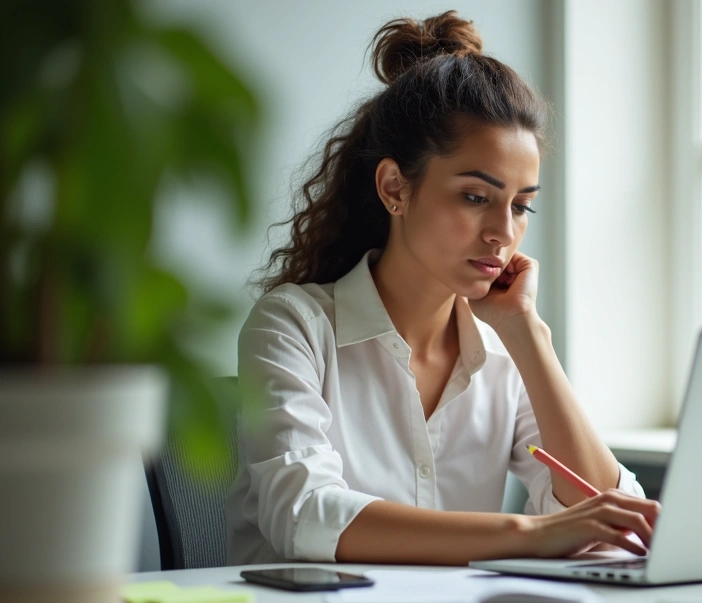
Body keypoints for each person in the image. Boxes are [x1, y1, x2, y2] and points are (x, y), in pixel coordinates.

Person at [225, 11, 660, 566]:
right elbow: (306, 516)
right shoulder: (293, 327)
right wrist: (528, 534)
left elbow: (610, 517)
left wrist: (528, 333)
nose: (504, 231)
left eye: (522, 205)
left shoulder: (504, 353)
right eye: (476, 197)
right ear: (393, 189)